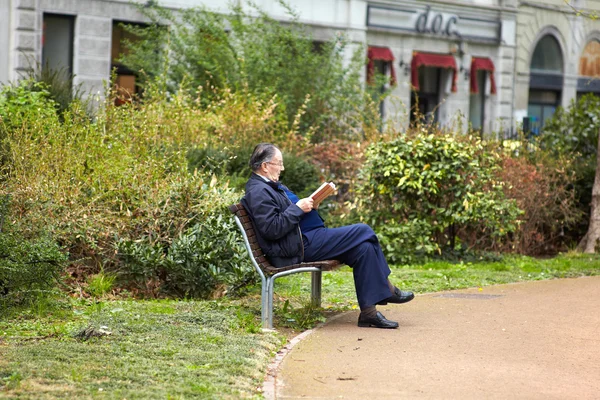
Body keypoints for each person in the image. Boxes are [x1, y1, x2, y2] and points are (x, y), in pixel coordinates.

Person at [241, 143, 414, 329]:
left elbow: (284, 214)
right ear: (265, 166)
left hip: (304, 239)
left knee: (363, 248)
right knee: (364, 230)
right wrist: (298, 209)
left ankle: (368, 314)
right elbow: (272, 228)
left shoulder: (268, 185)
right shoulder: (258, 191)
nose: (282, 168)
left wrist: (309, 206)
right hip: (297, 247)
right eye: (279, 163)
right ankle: (387, 289)